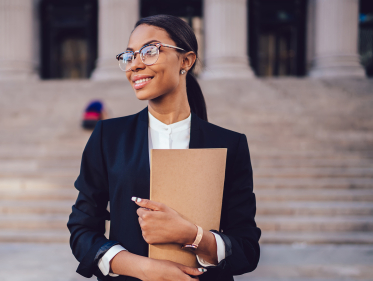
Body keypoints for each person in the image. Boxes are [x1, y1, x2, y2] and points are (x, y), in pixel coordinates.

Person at [67, 14, 261, 281]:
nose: (134, 65)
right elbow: (82, 231)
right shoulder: (107, 137)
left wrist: (192, 235)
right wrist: (143, 268)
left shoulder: (230, 144)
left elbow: (247, 249)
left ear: (186, 60)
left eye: (149, 51)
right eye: (129, 56)